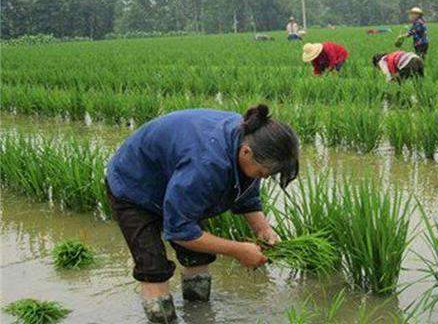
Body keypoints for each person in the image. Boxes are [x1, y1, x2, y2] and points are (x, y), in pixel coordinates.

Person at [106, 105, 299, 323]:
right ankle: (163, 318)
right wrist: (238, 250)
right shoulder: (206, 165)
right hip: (135, 187)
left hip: (177, 179)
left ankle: (199, 316)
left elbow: (246, 190)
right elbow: (181, 231)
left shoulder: (252, 137)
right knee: (153, 267)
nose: (264, 178)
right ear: (246, 152)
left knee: (197, 256)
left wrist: (263, 229)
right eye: (264, 172)